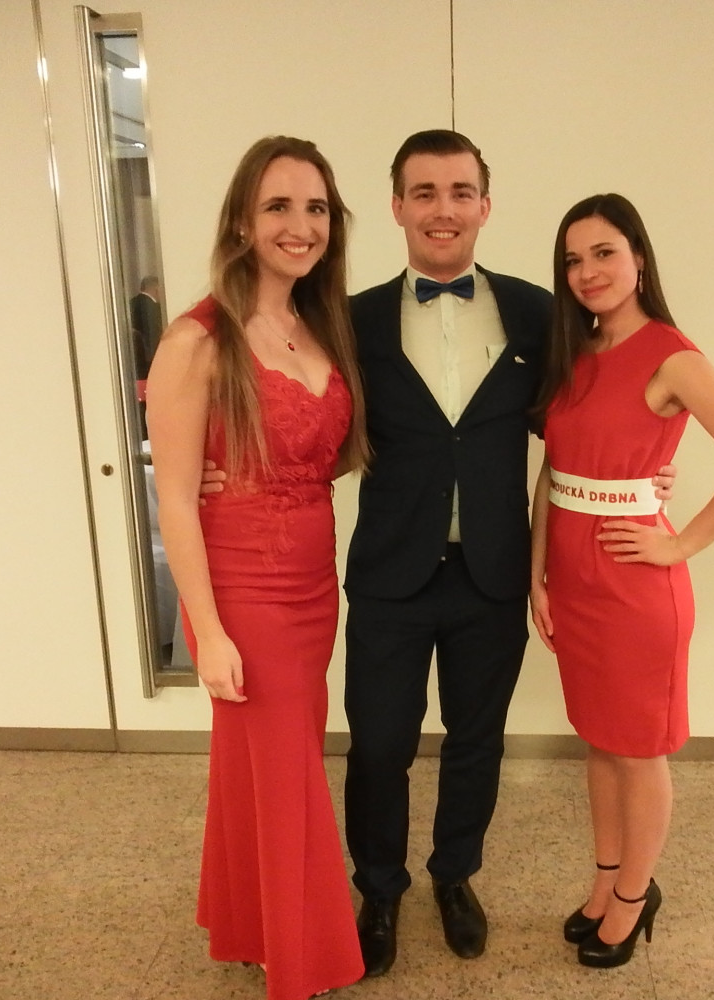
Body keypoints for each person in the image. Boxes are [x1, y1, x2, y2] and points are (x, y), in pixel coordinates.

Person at [200, 131, 675, 977]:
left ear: (485, 205)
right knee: (379, 745)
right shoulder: (348, 319)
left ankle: (455, 876)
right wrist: (232, 469)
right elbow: (304, 414)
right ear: (397, 207)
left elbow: (585, 415)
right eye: (423, 192)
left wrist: (646, 476)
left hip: (493, 575)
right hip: (389, 573)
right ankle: (379, 889)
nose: (442, 209)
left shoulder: (538, 312)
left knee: (476, 740)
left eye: (460, 191)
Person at [529, 193, 714, 969]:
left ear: (639, 258)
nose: (588, 272)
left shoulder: (671, 355)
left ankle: (636, 895)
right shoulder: (576, 351)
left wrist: (681, 546)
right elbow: (553, 473)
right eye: (573, 260)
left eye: (604, 252)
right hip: (573, 582)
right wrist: (537, 573)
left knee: (639, 750)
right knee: (600, 741)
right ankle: (606, 878)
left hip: (635, 591)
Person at [146, 136, 368, 1000]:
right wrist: (206, 632)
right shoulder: (196, 338)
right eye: (278, 206)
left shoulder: (318, 325)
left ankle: (255, 924)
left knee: (274, 761)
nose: (299, 225)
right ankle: (301, 959)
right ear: (242, 220)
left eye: (315, 208)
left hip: (314, 584)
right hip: (244, 590)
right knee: (286, 774)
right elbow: (173, 499)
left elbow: (323, 450)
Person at [130, 275, 163, 381]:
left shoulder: (130, 304)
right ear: (156, 289)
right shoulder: (155, 309)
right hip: (151, 362)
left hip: (133, 362)